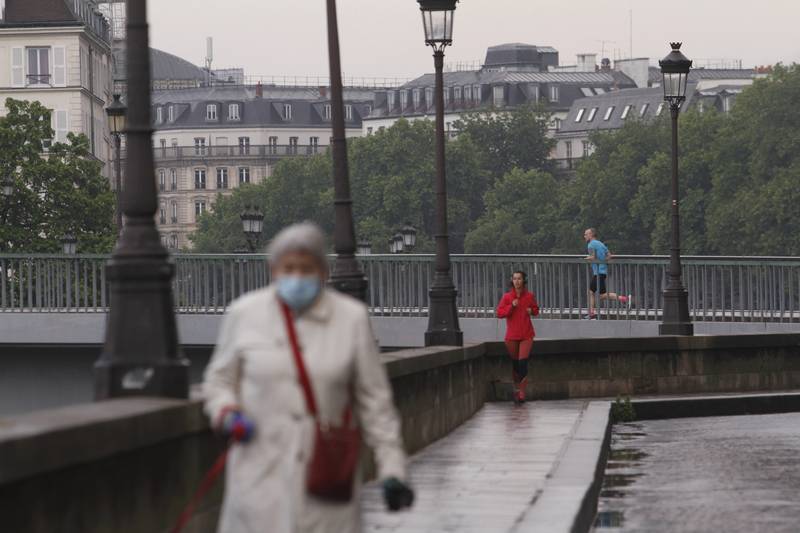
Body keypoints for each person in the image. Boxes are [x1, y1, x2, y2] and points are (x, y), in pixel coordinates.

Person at [203, 222, 413, 533]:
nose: (297, 277)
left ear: (323, 272)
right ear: (274, 271)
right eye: (289, 268)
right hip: (259, 481)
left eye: (306, 268)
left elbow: (375, 404)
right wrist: (226, 411)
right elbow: (219, 381)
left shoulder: (351, 319)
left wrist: (392, 468)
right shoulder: (244, 314)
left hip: (325, 485)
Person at [496, 271, 539, 404]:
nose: (517, 281)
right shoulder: (507, 297)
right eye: (514, 279)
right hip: (512, 336)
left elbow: (536, 310)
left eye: (519, 279)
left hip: (527, 334)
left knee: (522, 362)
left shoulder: (529, 296)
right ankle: (516, 389)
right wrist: (511, 306)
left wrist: (531, 311)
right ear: (512, 281)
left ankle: (522, 393)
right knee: (515, 365)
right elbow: (499, 313)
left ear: (523, 281)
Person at [583, 228, 631, 319]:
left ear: (591, 235)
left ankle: (591, 314)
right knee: (602, 295)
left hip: (597, 272)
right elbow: (609, 256)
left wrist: (586, 259)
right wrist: (602, 261)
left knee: (591, 292)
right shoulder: (601, 244)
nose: (584, 236)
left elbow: (592, 257)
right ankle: (624, 299)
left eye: (586, 234)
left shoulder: (591, 244)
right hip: (603, 271)